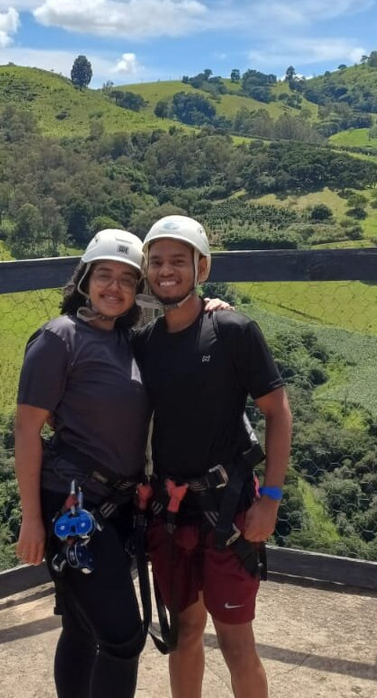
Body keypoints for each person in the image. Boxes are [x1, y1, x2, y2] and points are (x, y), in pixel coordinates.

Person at [132, 215, 292, 698]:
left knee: (235, 640)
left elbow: (278, 413)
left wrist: (272, 498)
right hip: (173, 511)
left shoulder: (232, 331)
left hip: (230, 510)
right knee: (182, 634)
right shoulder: (144, 343)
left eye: (178, 261)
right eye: (156, 262)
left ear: (202, 266)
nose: (166, 271)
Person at [13, 228, 150, 698]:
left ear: (137, 292)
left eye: (127, 280)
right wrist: (31, 519)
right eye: (104, 275)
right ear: (85, 280)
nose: (114, 288)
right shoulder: (60, 337)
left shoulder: (127, 341)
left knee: (81, 626)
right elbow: (27, 429)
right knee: (124, 637)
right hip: (71, 504)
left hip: (114, 504)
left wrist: (215, 307)